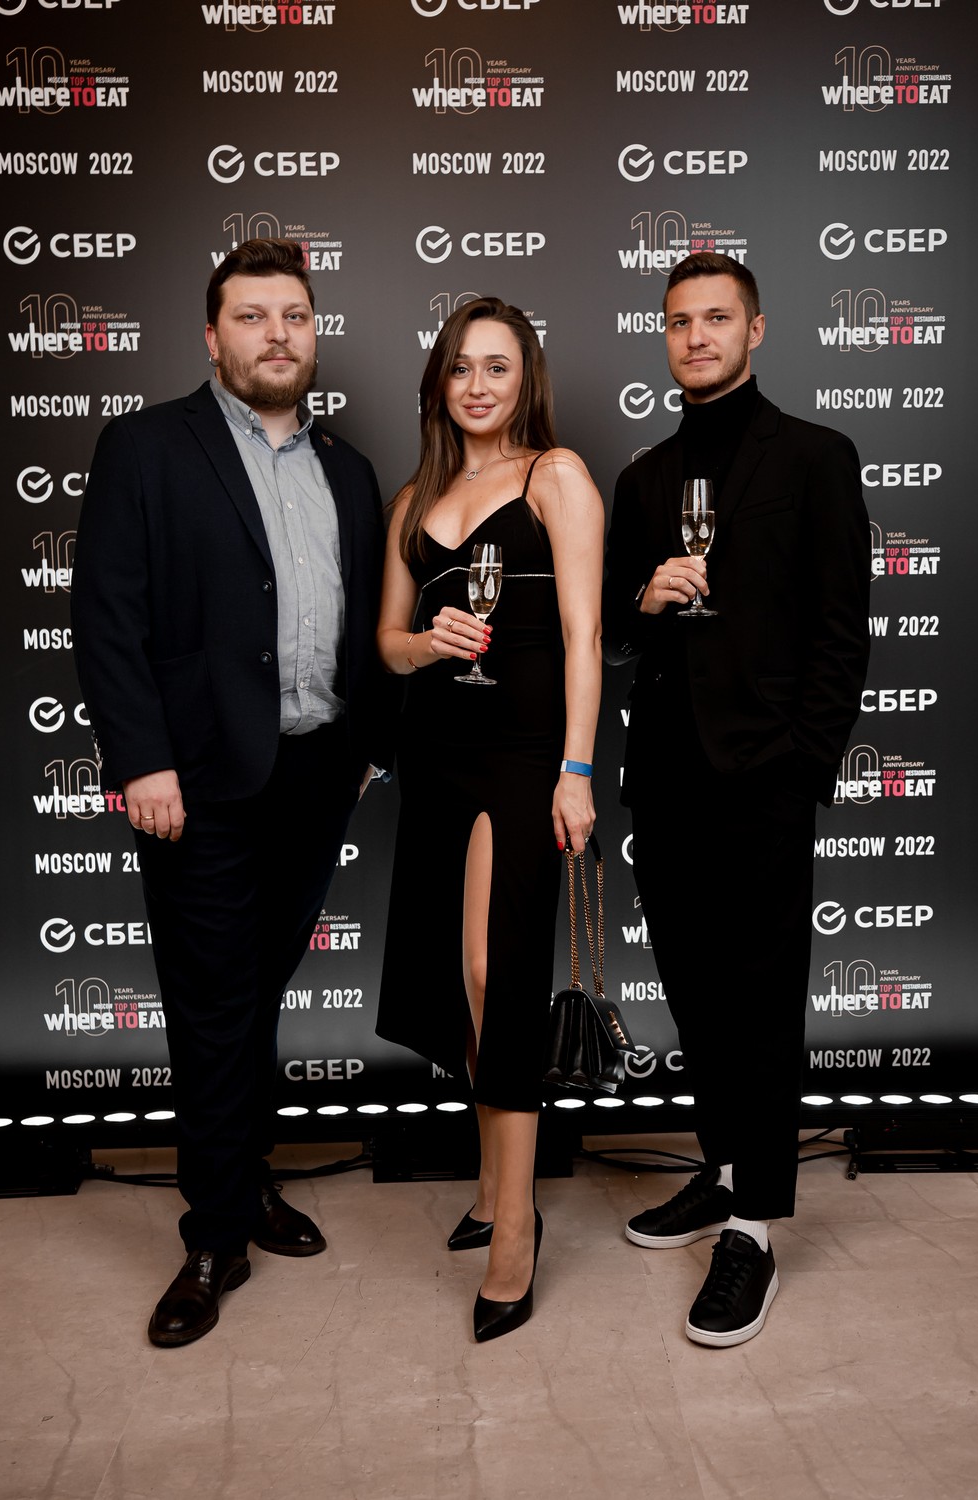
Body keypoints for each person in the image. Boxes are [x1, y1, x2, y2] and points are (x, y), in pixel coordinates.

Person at [71, 238, 392, 1347]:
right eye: (252, 317)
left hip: (313, 773)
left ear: (314, 332)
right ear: (212, 337)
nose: (276, 335)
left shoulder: (347, 467)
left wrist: (363, 745)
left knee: (253, 996)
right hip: (197, 780)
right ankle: (212, 1237)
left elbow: (363, 615)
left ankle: (247, 1180)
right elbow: (106, 615)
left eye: (293, 315)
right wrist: (141, 761)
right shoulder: (147, 446)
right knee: (213, 1001)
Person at [603, 252, 870, 1347]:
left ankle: (753, 1227)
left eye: (716, 318)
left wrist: (803, 766)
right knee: (697, 995)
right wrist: (646, 595)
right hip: (665, 784)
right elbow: (615, 631)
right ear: (664, 337)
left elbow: (840, 629)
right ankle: (721, 1171)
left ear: (754, 330)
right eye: (679, 321)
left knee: (759, 1006)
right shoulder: (644, 477)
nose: (697, 336)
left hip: (765, 781)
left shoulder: (814, 456)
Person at [375, 297, 604, 1342]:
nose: (478, 385)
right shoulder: (413, 498)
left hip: (523, 755)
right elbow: (388, 642)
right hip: (436, 754)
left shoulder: (555, 475)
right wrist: (430, 642)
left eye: (498, 367)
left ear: (526, 380)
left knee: (491, 974)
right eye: (461, 367)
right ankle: (490, 1184)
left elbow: (584, 635)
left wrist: (575, 768)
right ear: (439, 381)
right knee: (454, 984)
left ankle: (516, 1227)